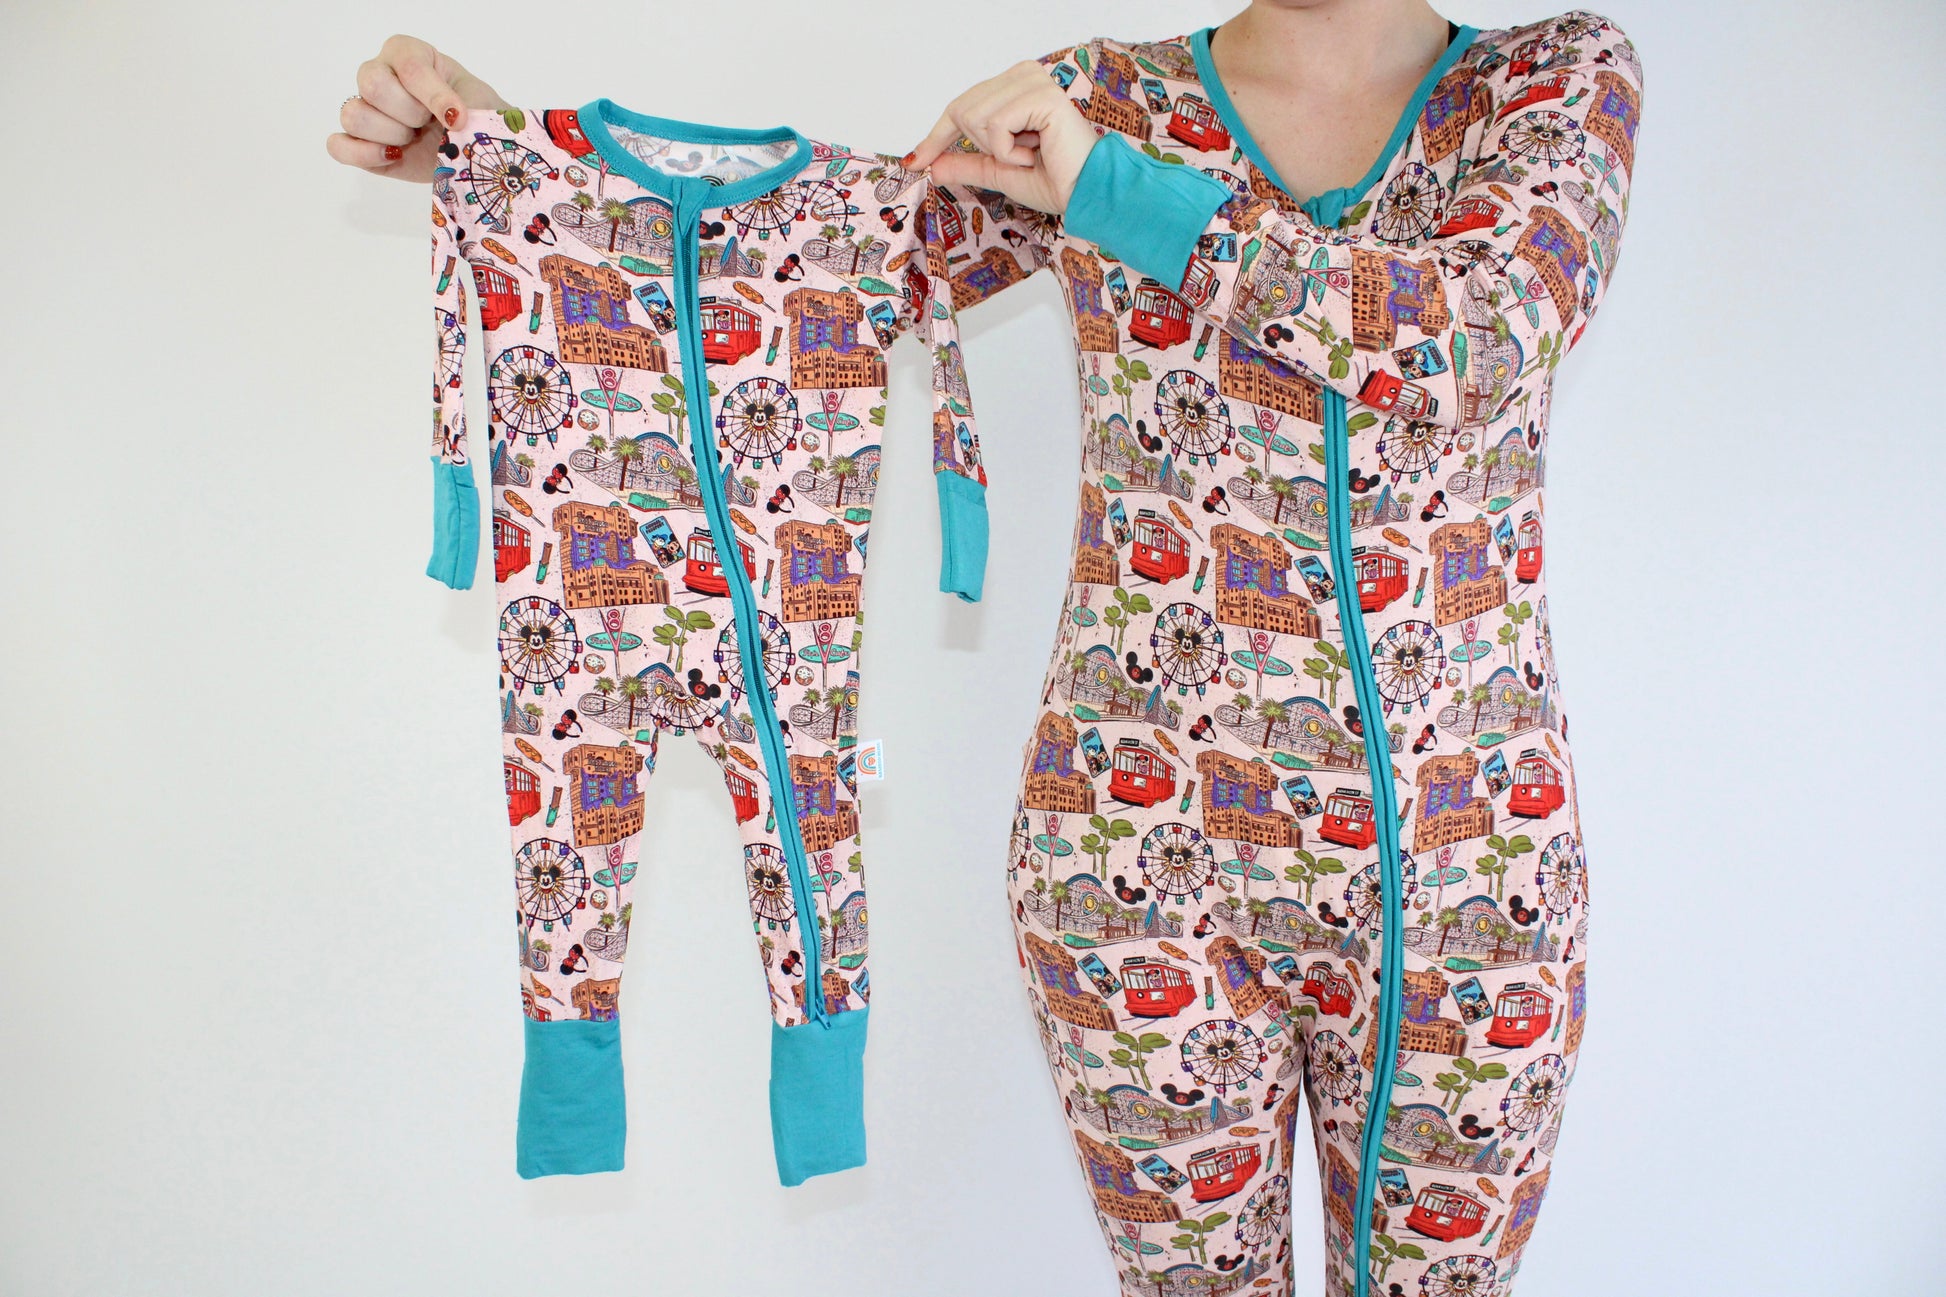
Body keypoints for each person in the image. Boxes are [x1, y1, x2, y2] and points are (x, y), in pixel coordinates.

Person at [328, 5, 1639, 1293]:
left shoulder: (1549, 81)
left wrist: (1110, 189)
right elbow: (815, 269)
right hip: (1133, 866)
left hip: (1474, 878)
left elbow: (1479, 342)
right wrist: (516, 171)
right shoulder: (1103, 99)